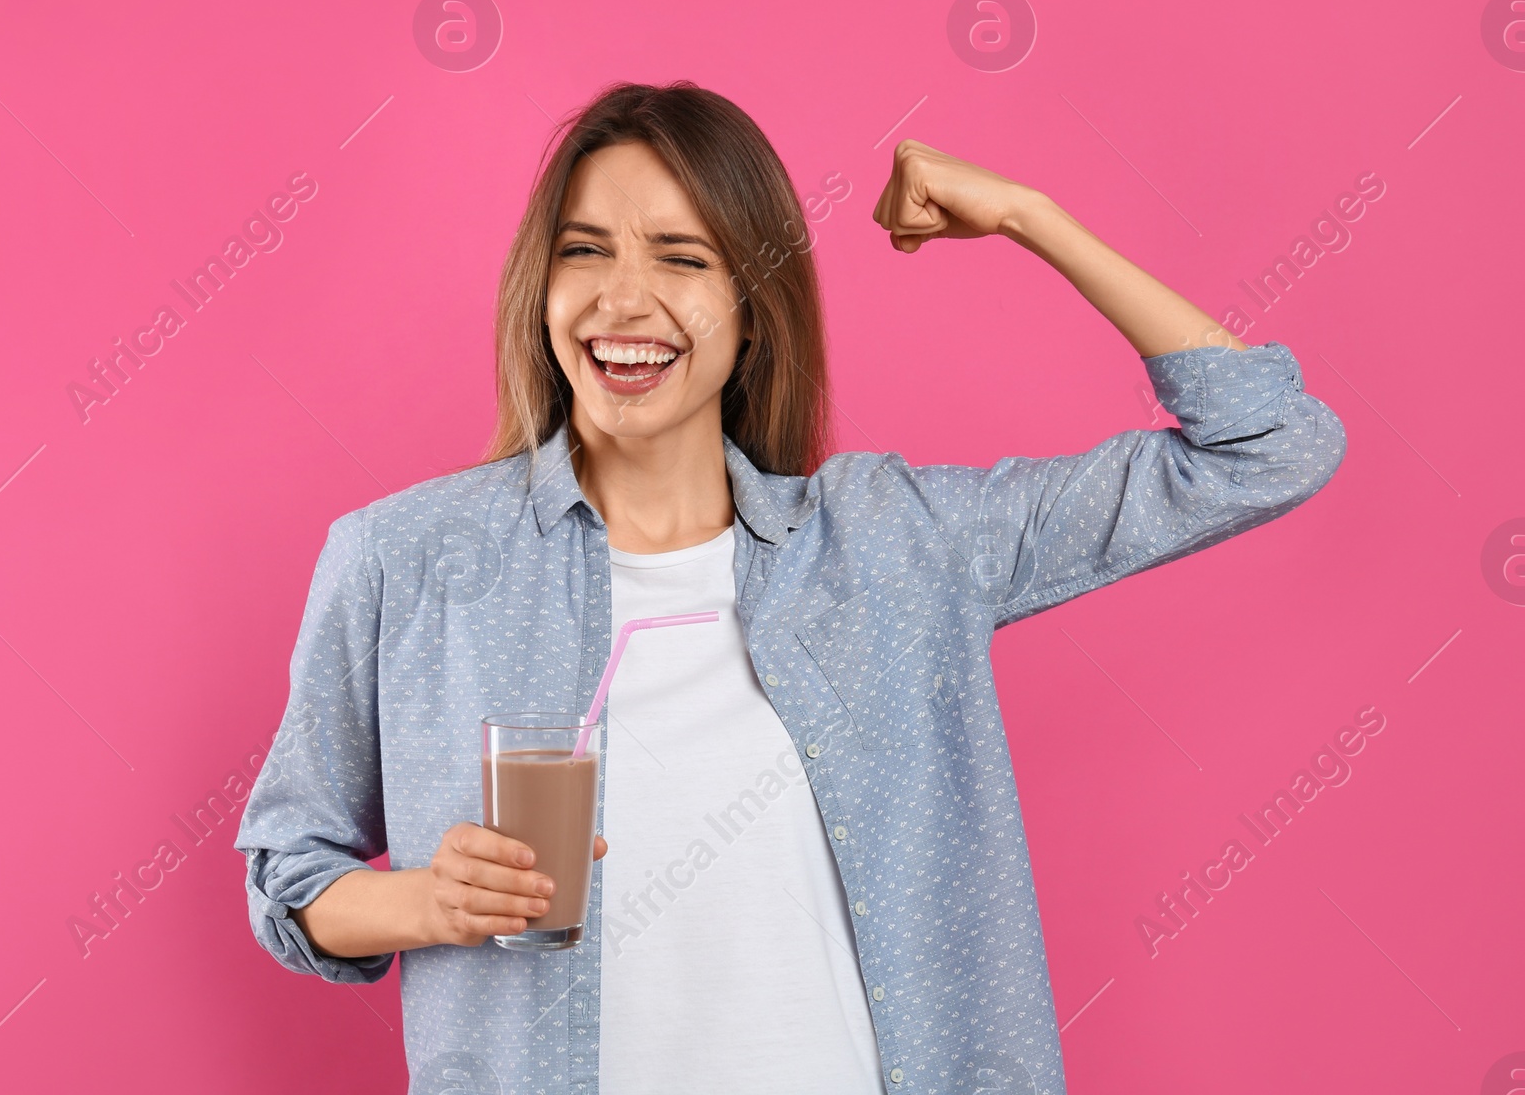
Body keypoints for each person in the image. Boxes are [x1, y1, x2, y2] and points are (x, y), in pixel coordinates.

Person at [236, 80, 1346, 1094]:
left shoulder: (893, 545)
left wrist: (1025, 216)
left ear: (752, 305)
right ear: (542, 286)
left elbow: (1270, 445)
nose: (624, 300)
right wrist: (425, 901)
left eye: (681, 257)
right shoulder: (405, 557)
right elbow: (289, 872)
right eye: (585, 252)